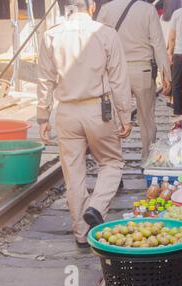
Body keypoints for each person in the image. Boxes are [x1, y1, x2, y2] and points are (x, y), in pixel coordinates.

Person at [37, 0, 133, 248]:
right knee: (112, 162)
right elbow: (119, 79)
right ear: (91, 7)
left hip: (66, 112)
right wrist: (125, 115)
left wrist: (42, 117)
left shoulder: (51, 35)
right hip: (98, 110)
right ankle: (96, 206)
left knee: (74, 173)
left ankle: (81, 233)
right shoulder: (105, 33)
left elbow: (45, 80)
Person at [98, 0, 171, 165]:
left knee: (113, 120)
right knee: (147, 120)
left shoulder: (106, 10)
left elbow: (98, 42)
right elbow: (158, 43)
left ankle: (113, 165)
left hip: (115, 72)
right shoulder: (148, 9)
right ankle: (148, 160)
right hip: (142, 70)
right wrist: (165, 73)